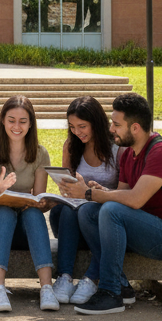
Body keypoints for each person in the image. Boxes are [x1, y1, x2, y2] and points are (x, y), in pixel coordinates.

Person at [71, 92, 162, 315]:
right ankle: (123, 287)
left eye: (116, 124)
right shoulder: (129, 155)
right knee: (88, 212)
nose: (111, 129)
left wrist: (90, 193)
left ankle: (110, 292)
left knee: (108, 208)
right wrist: (101, 191)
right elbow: (123, 196)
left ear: (135, 128)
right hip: (142, 228)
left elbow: (134, 200)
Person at [0, 95, 59, 312]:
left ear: (31, 124)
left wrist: (51, 202)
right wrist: (0, 189)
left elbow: (38, 198)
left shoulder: (40, 153)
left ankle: (46, 288)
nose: (16, 126)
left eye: (23, 121)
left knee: (33, 214)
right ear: (2, 120)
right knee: (4, 211)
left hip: (23, 226)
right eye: (11, 120)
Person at [48, 96, 122, 306]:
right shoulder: (71, 146)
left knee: (85, 211)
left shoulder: (117, 148)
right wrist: (67, 188)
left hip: (104, 218)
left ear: (96, 123)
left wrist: (95, 191)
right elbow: (68, 188)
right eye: (72, 127)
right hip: (75, 220)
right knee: (64, 211)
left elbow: (125, 192)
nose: (77, 132)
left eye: (82, 126)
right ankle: (64, 277)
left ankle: (91, 278)